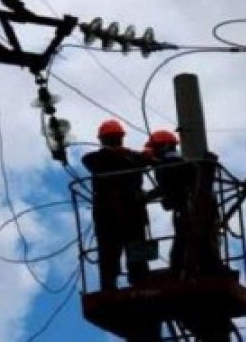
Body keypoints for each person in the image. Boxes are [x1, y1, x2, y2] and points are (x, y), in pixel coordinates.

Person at [82, 119, 150, 291]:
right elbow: (91, 160)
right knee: (124, 250)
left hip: (111, 215)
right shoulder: (122, 158)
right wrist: (130, 154)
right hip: (126, 213)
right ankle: (137, 280)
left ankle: (113, 284)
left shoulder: (104, 159)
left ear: (101, 139)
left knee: (112, 252)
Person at [143, 130, 194, 277]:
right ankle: (182, 269)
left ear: (165, 146)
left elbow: (169, 187)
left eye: (156, 148)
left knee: (183, 240)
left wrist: (146, 196)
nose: (154, 152)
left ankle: (178, 270)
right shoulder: (179, 163)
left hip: (185, 208)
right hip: (185, 207)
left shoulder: (169, 165)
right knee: (185, 239)